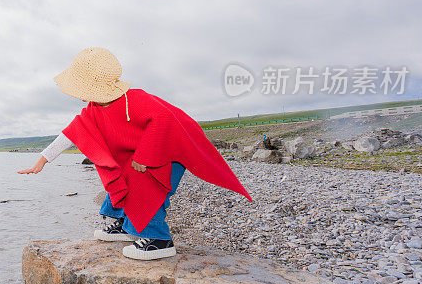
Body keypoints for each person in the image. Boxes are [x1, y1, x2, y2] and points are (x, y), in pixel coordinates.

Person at [18, 47, 253, 260]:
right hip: (140, 156)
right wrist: (43, 160)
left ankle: (160, 240)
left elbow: (165, 120)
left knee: (146, 189)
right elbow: (72, 133)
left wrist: (145, 156)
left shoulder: (136, 99)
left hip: (168, 151)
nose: (79, 93)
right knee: (119, 176)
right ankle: (125, 226)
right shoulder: (93, 109)